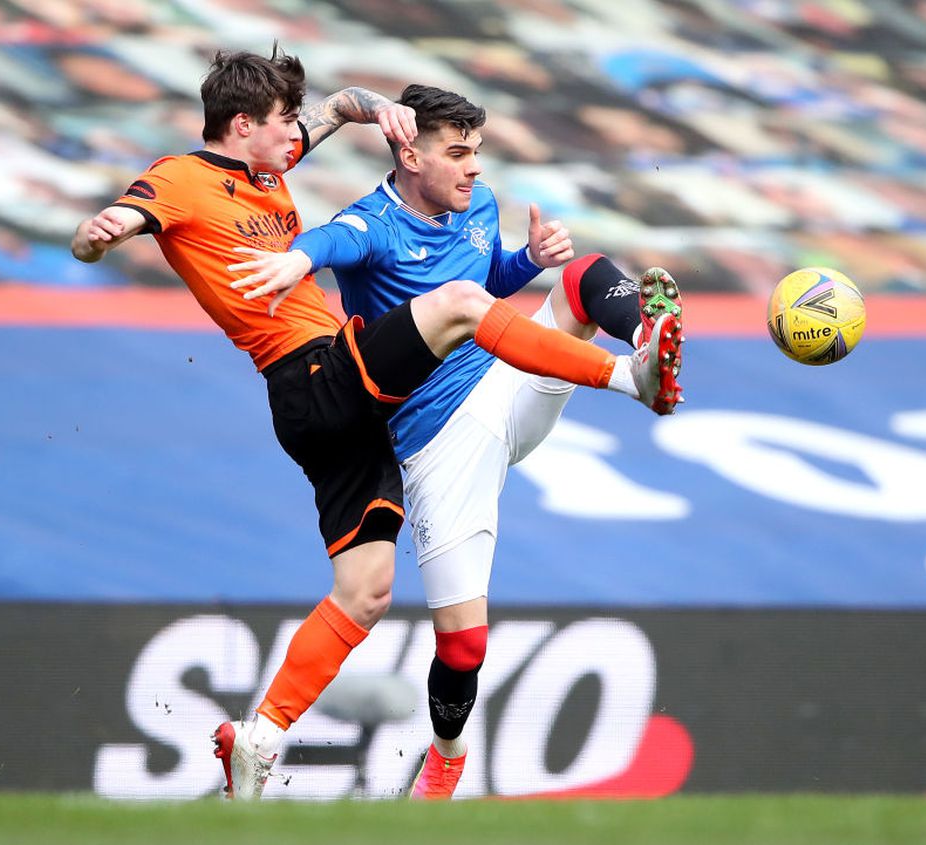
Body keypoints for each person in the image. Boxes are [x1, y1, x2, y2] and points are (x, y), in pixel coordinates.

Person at [72, 50, 679, 800]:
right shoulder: (184, 177)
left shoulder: (268, 165)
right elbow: (167, 222)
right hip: (316, 377)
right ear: (242, 125)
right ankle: (632, 375)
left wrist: (371, 106)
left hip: (344, 404)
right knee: (457, 304)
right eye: (283, 120)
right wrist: (108, 233)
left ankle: (259, 741)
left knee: (366, 590)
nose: (296, 135)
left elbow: (336, 111)